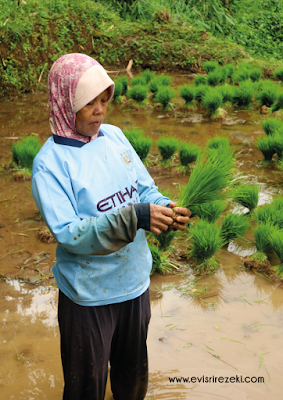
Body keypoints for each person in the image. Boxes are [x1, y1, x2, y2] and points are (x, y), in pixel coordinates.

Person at [31, 53, 190, 400]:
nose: (100, 110)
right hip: (88, 297)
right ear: (64, 102)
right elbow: (71, 234)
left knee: (132, 381)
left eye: (104, 100)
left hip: (133, 285)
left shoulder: (115, 137)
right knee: (85, 388)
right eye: (88, 102)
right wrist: (134, 217)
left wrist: (163, 208)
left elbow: (144, 189)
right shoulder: (50, 164)